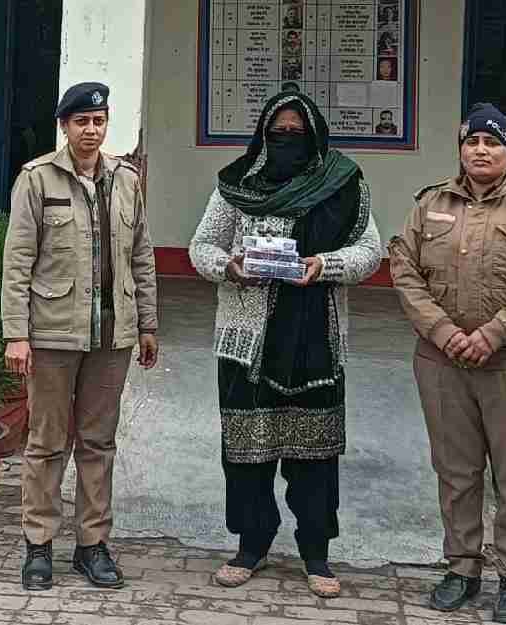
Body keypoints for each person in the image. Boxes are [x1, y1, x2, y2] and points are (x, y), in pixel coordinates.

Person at [189, 91, 382, 598]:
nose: (287, 139)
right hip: (246, 343)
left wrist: (325, 265)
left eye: (297, 132)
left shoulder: (343, 183)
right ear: (263, 134)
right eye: (279, 132)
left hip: (316, 341)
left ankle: (316, 553)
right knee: (246, 453)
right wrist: (230, 267)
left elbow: (370, 251)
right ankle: (250, 545)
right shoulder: (238, 185)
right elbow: (201, 246)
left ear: (314, 136)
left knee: (315, 456)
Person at [388, 103, 506, 624]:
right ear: (461, 150)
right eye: (472, 142)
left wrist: (493, 333)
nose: (481, 151)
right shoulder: (430, 204)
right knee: (456, 471)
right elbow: (405, 271)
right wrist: (444, 332)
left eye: (493, 143)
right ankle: (462, 568)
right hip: (442, 362)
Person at [2, 82, 160, 592]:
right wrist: (16, 334)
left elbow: (142, 256)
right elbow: (17, 262)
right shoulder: (37, 179)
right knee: (47, 443)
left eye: (99, 121)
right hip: (52, 334)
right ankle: (39, 545)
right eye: (81, 122)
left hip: (112, 336)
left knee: (98, 443)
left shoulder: (127, 180)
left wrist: (148, 324)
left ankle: (92, 546)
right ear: (64, 126)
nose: (91, 130)